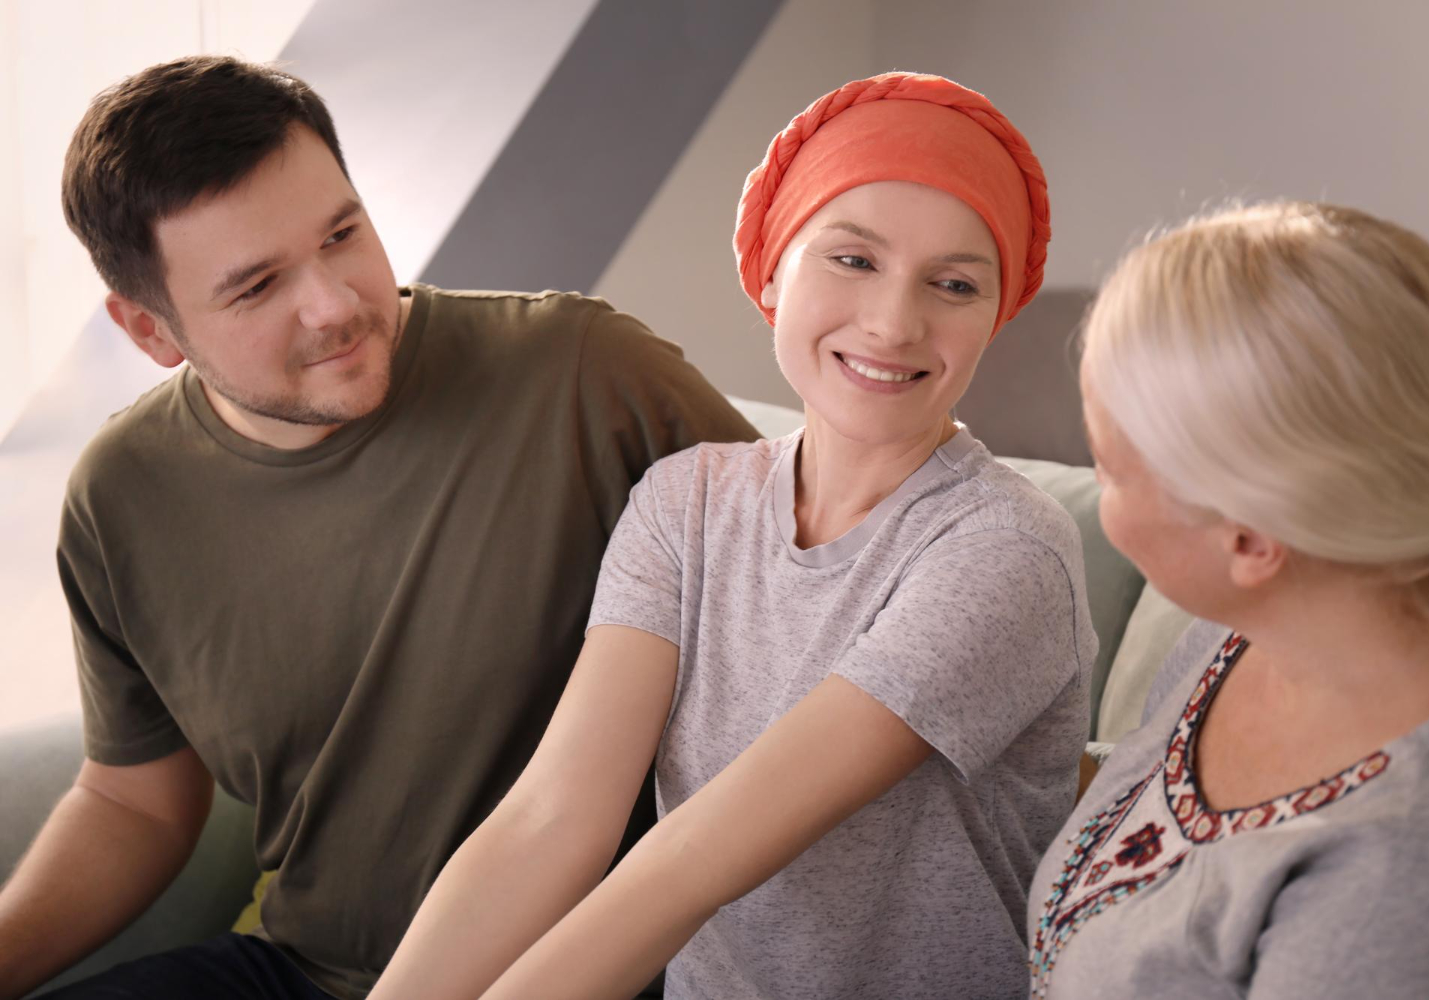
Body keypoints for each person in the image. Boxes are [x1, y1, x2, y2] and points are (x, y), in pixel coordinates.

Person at [0, 55, 756, 1000]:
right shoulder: (119, 497)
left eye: (342, 233)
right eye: (256, 286)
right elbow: (134, 803)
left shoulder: (584, 375)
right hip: (303, 972)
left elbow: (815, 592)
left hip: (605, 971)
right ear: (152, 332)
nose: (335, 304)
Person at [371, 72, 1097, 1000]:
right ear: (771, 270)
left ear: (995, 315)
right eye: (853, 259)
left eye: (954, 284)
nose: (894, 321)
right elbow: (554, 821)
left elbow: (700, 858)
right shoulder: (686, 504)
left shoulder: (1006, 553)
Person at [1028, 202, 1429, 998]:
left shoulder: (1406, 880)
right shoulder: (1245, 628)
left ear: (1248, 540)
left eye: (1106, 469)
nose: (1098, 489)